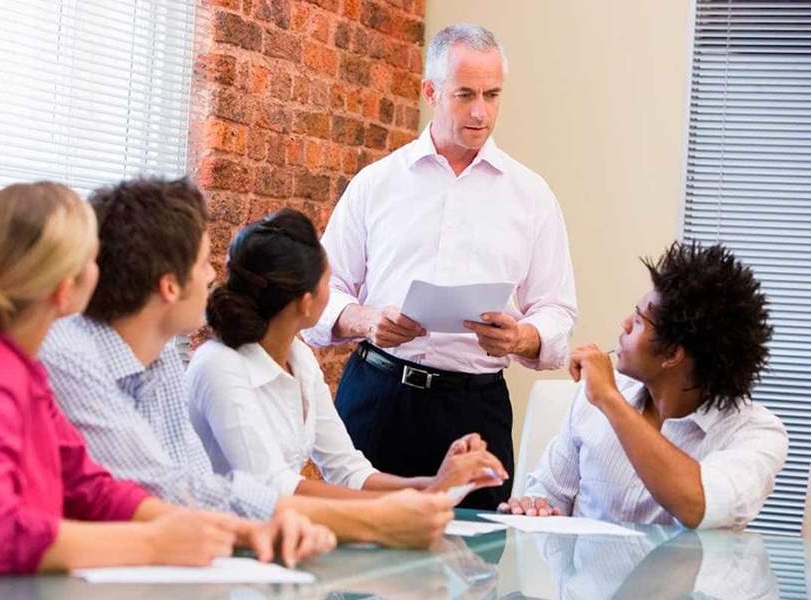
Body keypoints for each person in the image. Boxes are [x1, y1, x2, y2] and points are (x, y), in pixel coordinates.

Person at [0, 182, 332, 574]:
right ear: (65, 289)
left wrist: (238, 530)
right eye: (94, 258)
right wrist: (151, 544)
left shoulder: (17, 367)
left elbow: (95, 488)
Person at [40, 177, 454, 548]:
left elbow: (200, 487)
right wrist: (372, 520)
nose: (211, 276)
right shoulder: (72, 361)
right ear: (169, 285)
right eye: (203, 262)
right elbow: (165, 494)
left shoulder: (161, 359)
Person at [302, 23, 578, 509]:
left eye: (493, 95)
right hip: (378, 397)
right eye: (465, 94)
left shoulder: (531, 196)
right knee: (354, 571)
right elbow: (321, 294)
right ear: (431, 91)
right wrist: (369, 322)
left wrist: (521, 337)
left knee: (472, 571)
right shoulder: (376, 183)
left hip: (476, 410)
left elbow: (557, 310)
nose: (481, 112)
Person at [187, 208, 508, 500]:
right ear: (306, 301)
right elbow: (274, 489)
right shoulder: (219, 365)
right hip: (214, 547)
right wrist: (414, 503)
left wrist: (436, 483)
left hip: (275, 538)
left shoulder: (300, 358)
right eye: (329, 282)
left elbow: (348, 471)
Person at [501, 242, 788, 529]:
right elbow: (548, 494)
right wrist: (535, 507)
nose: (624, 324)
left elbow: (699, 505)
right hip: (582, 574)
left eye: (638, 321)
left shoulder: (755, 433)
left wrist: (610, 400)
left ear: (672, 354)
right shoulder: (594, 399)